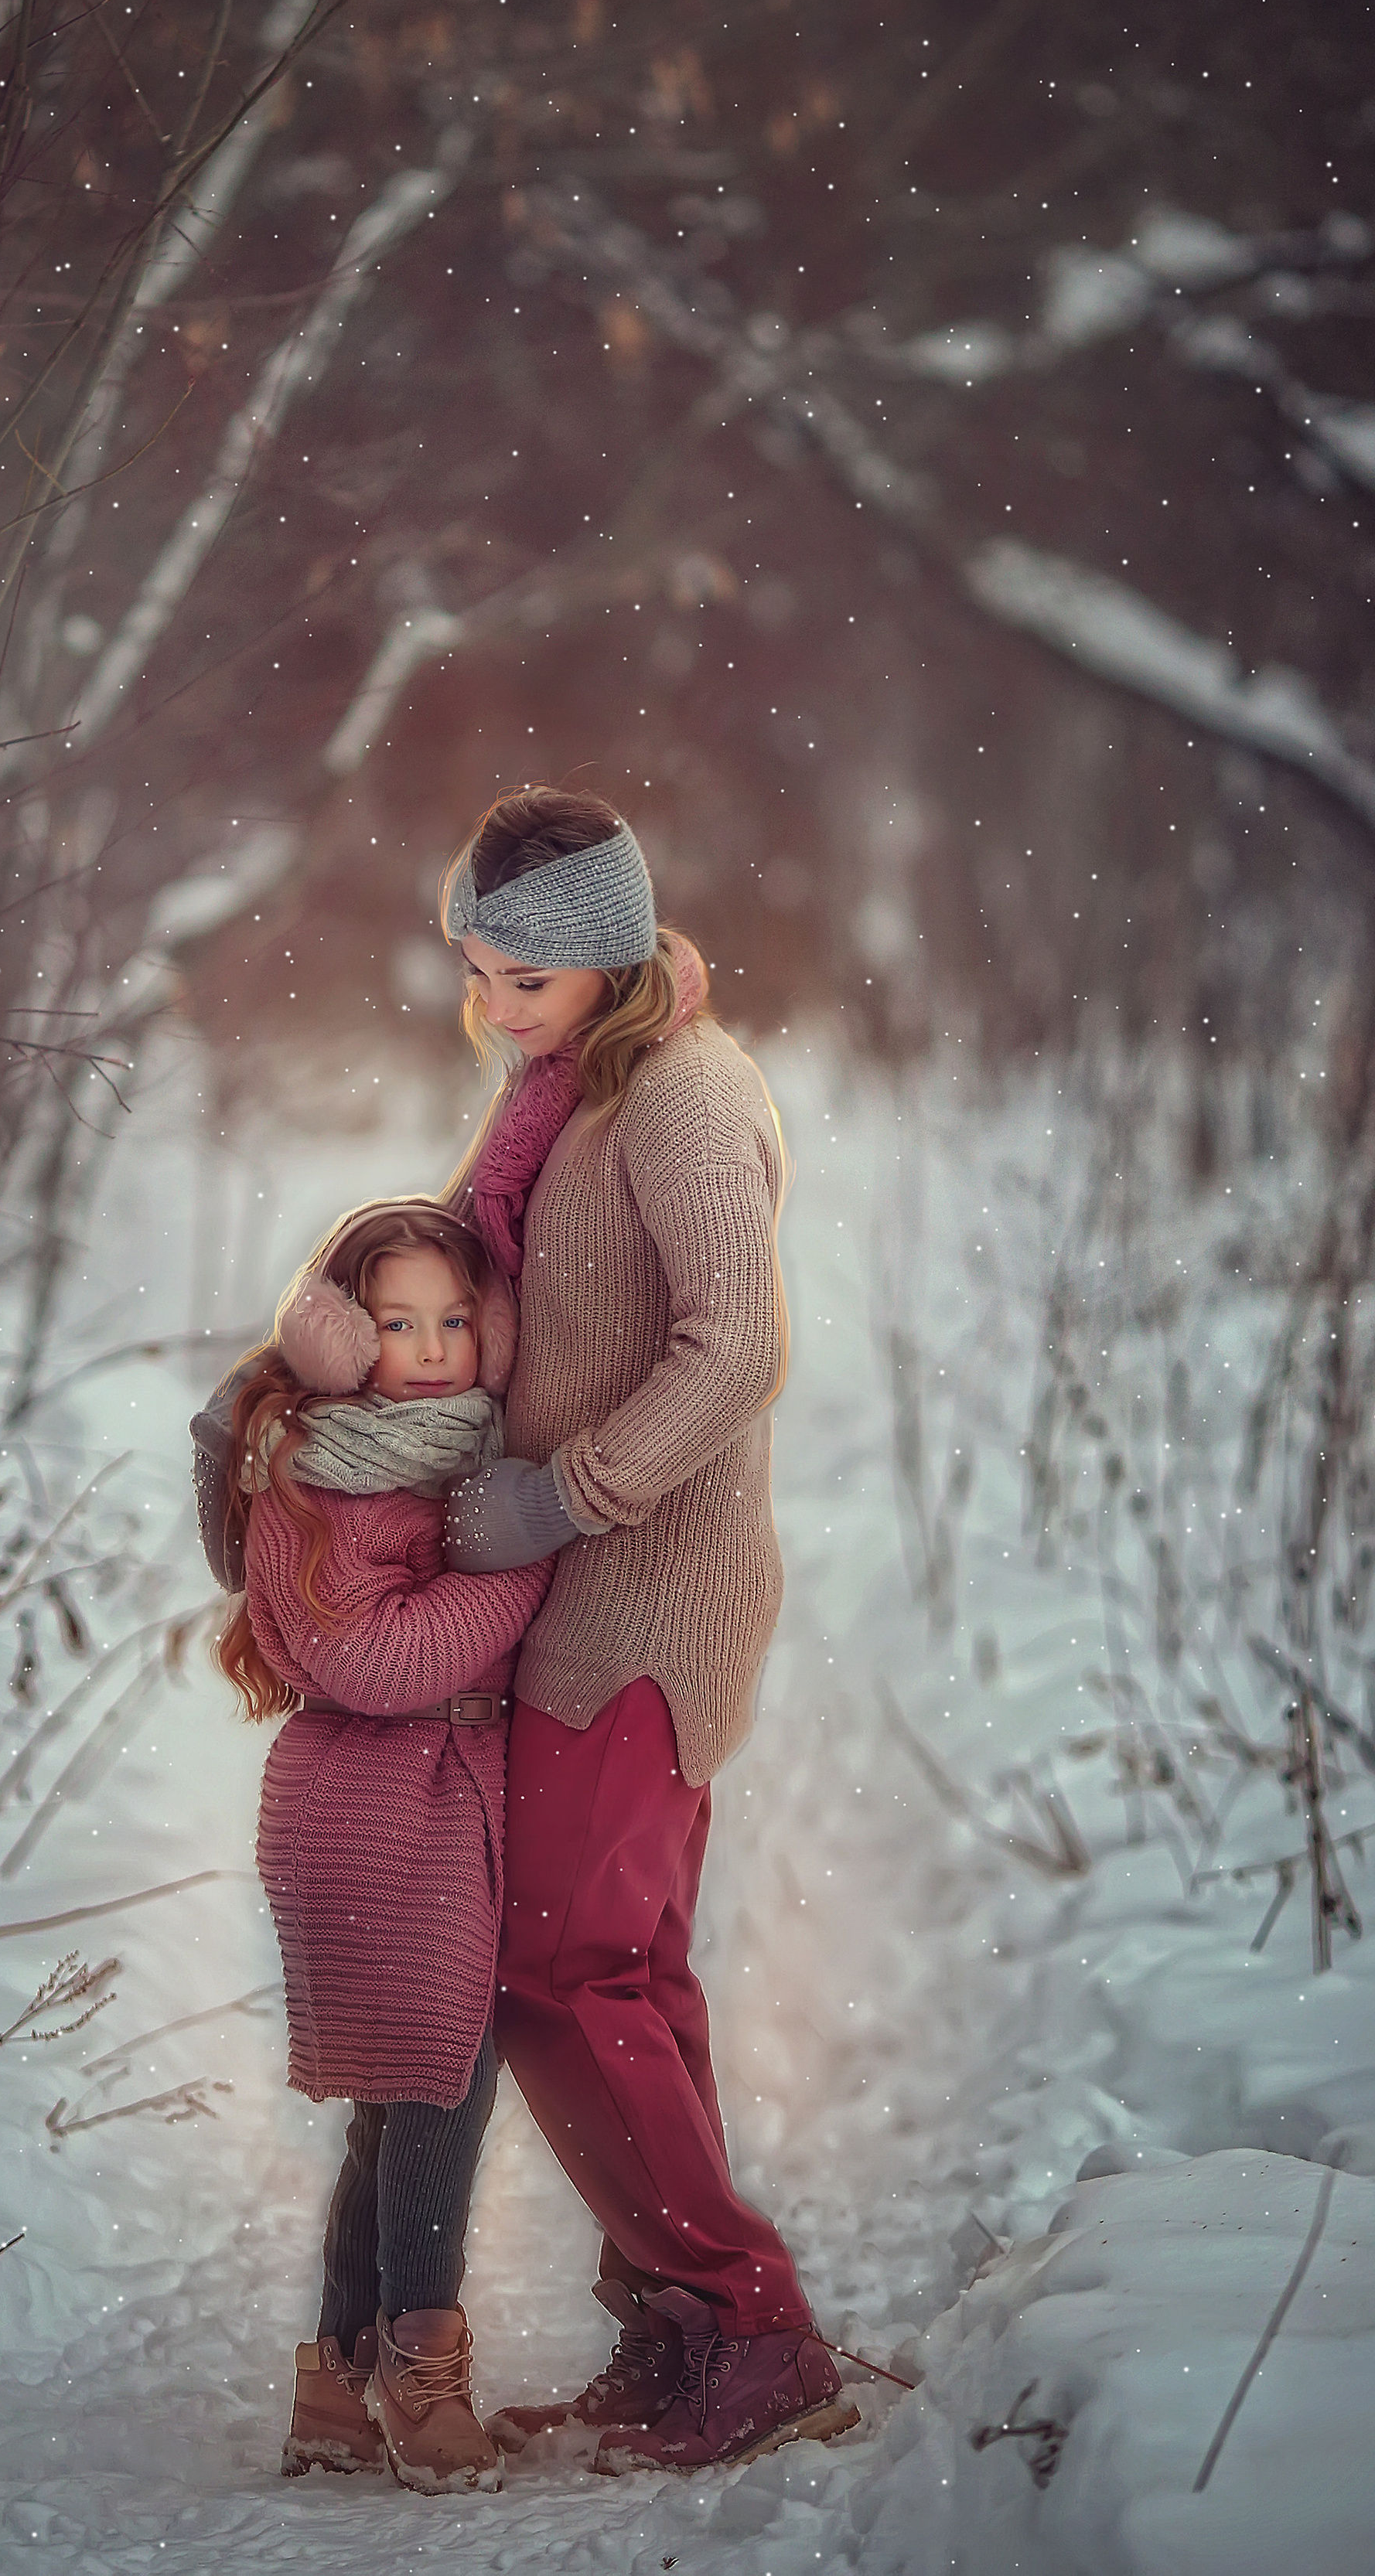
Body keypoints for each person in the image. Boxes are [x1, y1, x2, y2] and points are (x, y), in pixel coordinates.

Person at [439, 787, 857, 2474]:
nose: (488, 1008)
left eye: (517, 980)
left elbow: (738, 1345)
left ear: (603, 966)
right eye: (473, 972)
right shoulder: (571, 1098)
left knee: (558, 1967)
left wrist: (570, 1492)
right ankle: (685, 2332)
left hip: (644, 1602)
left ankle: (749, 2323)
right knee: (620, 1968)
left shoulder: (680, 1098)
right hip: (585, 1599)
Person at [191, 1200, 553, 2496]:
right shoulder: (305, 1464)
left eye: (456, 1318)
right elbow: (374, 1655)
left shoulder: (458, 1450)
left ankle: (338, 2386)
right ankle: (421, 2360)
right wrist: (523, 1561)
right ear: (344, 1335)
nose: (435, 1345)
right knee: (446, 2070)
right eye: (397, 1322)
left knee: (409, 2086)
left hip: (440, 1788)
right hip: (366, 1797)